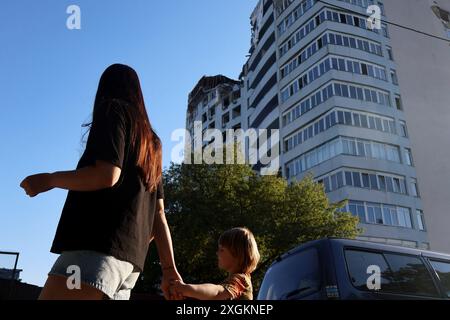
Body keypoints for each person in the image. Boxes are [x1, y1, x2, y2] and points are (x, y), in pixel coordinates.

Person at [19, 63, 182, 300]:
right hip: (127, 269)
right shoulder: (153, 144)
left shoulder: (113, 109)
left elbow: (107, 175)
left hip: (92, 253)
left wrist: (50, 179)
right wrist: (169, 270)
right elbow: (158, 216)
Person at [171, 227, 260, 300]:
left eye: (222, 249)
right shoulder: (237, 281)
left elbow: (217, 292)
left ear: (237, 254)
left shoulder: (241, 280)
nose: (217, 253)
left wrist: (185, 288)